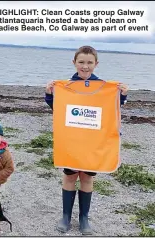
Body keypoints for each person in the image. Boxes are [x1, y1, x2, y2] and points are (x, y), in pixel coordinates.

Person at [45, 46, 128, 235]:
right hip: (72, 141)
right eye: (81, 62)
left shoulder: (104, 87)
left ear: (96, 64)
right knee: (70, 176)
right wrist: (50, 93)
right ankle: (66, 216)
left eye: (89, 62)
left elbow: (113, 108)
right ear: (74, 63)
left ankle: (84, 218)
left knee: (87, 178)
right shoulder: (66, 86)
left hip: (93, 142)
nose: (85, 66)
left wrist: (121, 95)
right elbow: (57, 108)